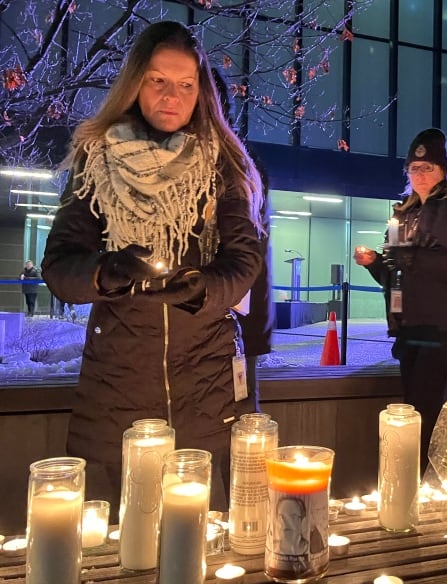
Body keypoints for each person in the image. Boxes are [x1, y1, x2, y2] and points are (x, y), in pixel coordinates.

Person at [41, 21, 265, 519]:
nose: (172, 95)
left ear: (200, 92)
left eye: (186, 84)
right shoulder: (95, 162)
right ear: (135, 82)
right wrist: (105, 271)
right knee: (119, 543)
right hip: (117, 386)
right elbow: (59, 265)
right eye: (158, 80)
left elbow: (244, 259)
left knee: (206, 538)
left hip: (207, 387)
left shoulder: (222, 164)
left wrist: (203, 289)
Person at [353, 128, 447, 469]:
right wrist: (375, 264)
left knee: (425, 410)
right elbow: (395, 274)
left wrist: (418, 258)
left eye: (428, 167)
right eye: (414, 169)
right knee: (413, 407)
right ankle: (414, 483)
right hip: (410, 327)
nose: (420, 175)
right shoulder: (404, 212)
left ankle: (414, 484)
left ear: (443, 169)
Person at [212, 67, 274, 405]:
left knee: (240, 424)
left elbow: (252, 258)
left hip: (232, 321)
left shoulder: (242, 169)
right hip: (170, 332)